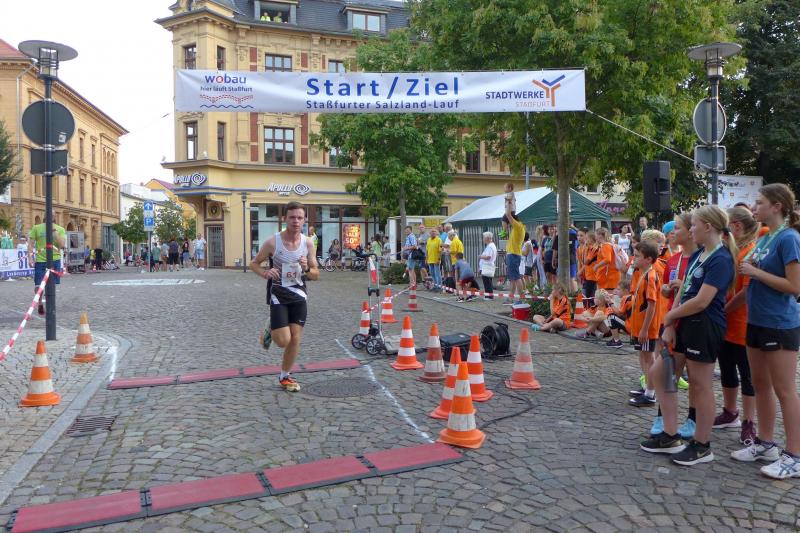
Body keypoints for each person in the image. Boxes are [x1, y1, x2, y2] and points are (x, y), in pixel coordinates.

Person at [643, 206, 736, 466]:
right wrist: (671, 323)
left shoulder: (721, 258)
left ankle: (702, 444)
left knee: (700, 384)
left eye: (693, 224)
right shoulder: (699, 254)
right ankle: (670, 434)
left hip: (705, 326)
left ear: (708, 226)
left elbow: (702, 300)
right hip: (685, 323)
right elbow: (684, 290)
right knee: (660, 372)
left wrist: (671, 317)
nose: (690, 229)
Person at [731, 183, 800, 479]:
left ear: (777, 206)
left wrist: (756, 272)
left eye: (759, 202)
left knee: (785, 390)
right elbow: (751, 284)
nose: (754, 207)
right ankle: (766, 444)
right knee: (759, 384)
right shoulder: (764, 237)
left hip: (779, 322)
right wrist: (727, 308)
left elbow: (794, 286)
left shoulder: (789, 238)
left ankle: (794, 455)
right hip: (756, 321)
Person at [250, 201, 319, 392]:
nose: (296, 221)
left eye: (300, 218)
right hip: (278, 295)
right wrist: (265, 273)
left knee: (295, 338)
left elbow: (316, 274)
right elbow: (254, 263)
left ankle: (285, 376)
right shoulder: (273, 242)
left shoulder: (308, 243)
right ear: (284, 219)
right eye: (292, 217)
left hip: (299, 295)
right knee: (282, 341)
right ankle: (271, 327)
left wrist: (307, 268)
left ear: (304, 220)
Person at [714, 206, 759, 444]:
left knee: (747, 375)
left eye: (726, 226)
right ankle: (730, 411)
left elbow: (745, 292)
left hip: (743, 324)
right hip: (728, 324)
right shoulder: (733, 250)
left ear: (737, 227)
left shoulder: (750, 251)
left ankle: (749, 422)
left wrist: (722, 309)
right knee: (727, 369)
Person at [627, 241, 662, 408]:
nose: (634, 258)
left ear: (648, 259)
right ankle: (648, 387)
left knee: (649, 358)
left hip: (646, 328)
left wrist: (644, 329)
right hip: (640, 326)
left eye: (637, 256)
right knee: (644, 356)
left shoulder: (650, 276)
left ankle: (650, 394)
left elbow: (651, 305)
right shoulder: (644, 273)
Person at [28, 216, 66, 316]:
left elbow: (62, 245)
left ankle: (50, 304)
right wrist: (30, 258)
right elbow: (31, 244)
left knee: (52, 284)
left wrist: (54, 231)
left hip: (55, 260)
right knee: (38, 285)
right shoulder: (36, 228)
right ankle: (40, 302)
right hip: (40, 261)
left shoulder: (60, 229)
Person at [504, 199, 526, 304]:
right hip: (513, 254)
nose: (507, 225)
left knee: (516, 277)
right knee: (513, 278)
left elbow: (508, 214)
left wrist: (508, 203)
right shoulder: (518, 228)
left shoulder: (518, 226)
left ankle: (521, 298)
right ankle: (511, 298)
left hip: (513, 254)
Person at [552, 225, 579, 293]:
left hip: (561, 259)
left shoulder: (558, 236)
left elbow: (555, 250)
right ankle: (575, 294)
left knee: (560, 278)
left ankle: (560, 294)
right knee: (572, 278)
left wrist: (553, 260)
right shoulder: (574, 235)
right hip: (572, 258)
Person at [594, 227, 622, 292]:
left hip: (608, 277)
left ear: (600, 236)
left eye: (596, 235)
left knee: (606, 296)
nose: (595, 238)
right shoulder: (609, 245)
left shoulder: (605, 246)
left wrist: (597, 266)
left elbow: (607, 259)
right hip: (610, 276)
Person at [607, 279, 632, 348]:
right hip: (637, 327)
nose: (616, 291)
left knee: (611, 316)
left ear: (626, 291)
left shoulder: (626, 297)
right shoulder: (632, 296)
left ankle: (616, 341)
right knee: (616, 317)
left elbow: (619, 313)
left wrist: (610, 303)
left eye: (618, 289)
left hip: (631, 327)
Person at [478, 231, 497, 300]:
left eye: (484, 238)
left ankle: (489, 296)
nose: (483, 239)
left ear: (487, 238)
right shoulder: (491, 246)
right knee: (488, 281)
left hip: (487, 266)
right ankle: (489, 295)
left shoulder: (490, 246)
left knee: (487, 282)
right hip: (488, 266)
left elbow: (488, 257)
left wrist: (481, 256)